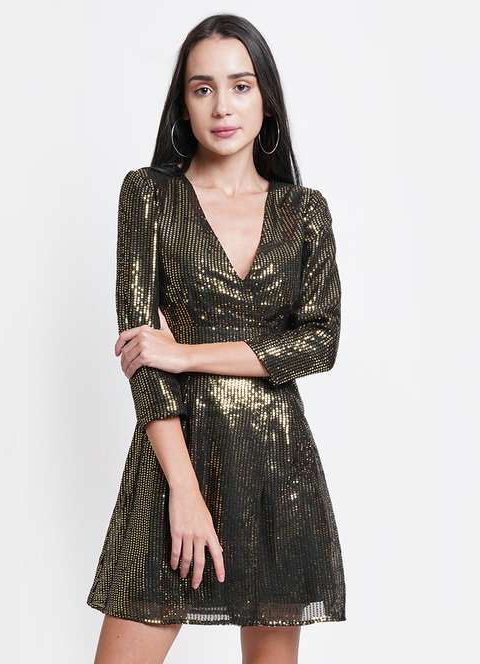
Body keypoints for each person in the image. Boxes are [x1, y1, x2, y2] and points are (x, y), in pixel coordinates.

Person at [87, 13, 346, 664]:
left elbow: (319, 343)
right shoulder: (149, 196)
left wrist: (185, 352)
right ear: (183, 103)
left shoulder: (304, 211)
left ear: (267, 100)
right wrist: (185, 491)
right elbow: (144, 364)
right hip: (175, 465)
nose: (222, 106)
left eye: (240, 85)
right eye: (202, 88)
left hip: (278, 469)